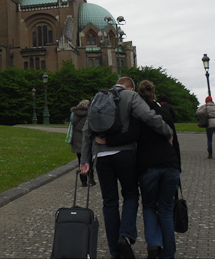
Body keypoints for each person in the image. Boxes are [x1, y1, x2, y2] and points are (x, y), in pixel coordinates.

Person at [80, 77, 173, 259]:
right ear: (130, 87)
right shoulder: (130, 96)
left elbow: (86, 131)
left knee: (109, 202)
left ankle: (116, 252)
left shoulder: (98, 97)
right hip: (125, 153)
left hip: (101, 156)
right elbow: (148, 116)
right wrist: (167, 132)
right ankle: (126, 235)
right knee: (131, 194)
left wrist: (85, 160)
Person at [103, 81, 181, 259]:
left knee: (149, 207)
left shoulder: (137, 115)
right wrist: (178, 167)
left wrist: (107, 141)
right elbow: (175, 142)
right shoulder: (166, 112)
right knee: (166, 210)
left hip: (148, 167)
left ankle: (153, 243)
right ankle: (168, 253)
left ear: (137, 94)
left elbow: (130, 136)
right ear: (155, 93)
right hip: (171, 165)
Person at [68, 99, 96, 186]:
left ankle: (83, 181)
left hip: (77, 139)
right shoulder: (90, 114)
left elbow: (71, 126)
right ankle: (91, 178)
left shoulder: (73, 114)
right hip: (88, 139)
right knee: (90, 160)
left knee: (81, 160)